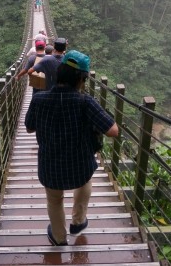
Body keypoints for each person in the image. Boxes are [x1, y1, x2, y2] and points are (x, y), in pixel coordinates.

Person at [25, 50, 119, 246]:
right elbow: (113, 131)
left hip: (50, 166)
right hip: (80, 165)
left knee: (54, 200)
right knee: (85, 181)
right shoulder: (85, 102)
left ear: (59, 72)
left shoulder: (38, 99)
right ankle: (78, 222)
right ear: (82, 79)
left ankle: (59, 237)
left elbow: (29, 127)